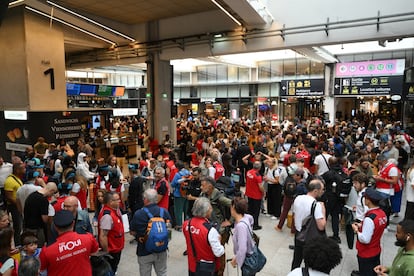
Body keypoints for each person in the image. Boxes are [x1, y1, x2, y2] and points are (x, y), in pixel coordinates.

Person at [40, 210, 99, 276]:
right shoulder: (88, 238)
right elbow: (94, 253)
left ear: (55, 227)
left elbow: (41, 270)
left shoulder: (47, 250)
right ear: (73, 223)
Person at [130, 189, 171, 276]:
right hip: (161, 248)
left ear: (145, 199)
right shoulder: (164, 212)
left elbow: (132, 231)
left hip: (144, 250)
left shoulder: (139, 214)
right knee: (162, 272)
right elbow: (169, 231)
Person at [183, 197, 225, 276]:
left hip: (192, 266)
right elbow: (219, 252)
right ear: (206, 211)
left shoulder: (186, 224)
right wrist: (220, 242)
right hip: (208, 269)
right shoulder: (210, 230)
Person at [291, 179, 326, 270]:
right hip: (310, 238)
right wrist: (323, 211)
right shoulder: (316, 205)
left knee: (296, 260)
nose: (323, 192)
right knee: (309, 263)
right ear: (315, 191)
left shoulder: (298, 198)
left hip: (298, 234)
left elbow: (294, 215)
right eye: (322, 190)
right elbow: (321, 226)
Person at [351, 187, 387, 276]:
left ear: (368, 201)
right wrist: (362, 225)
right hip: (376, 249)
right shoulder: (382, 214)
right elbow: (376, 228)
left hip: (366, 253)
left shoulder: (369, 218)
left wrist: (356, 230)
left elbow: (365, 239)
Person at [23, 182, 58, 246]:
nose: (51, 196)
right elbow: (45, 219)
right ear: (51, 191)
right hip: (37, 230)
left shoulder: (32, 195)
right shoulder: (43, 200)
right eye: (52, 193)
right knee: (38, 248)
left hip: (27, 227)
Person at [98, 191, 125, 273]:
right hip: (112, 251)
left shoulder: (114, 211)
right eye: (117, 200)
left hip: (116, 248)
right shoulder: (107, 216)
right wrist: (106, 252)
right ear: (111, 202)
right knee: (110, 270)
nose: (119, 201)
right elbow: (103, 236)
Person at [229, 197, 255, 276]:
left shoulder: (241, 226)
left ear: (233, 207)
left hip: (247, 259)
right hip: (251, 254)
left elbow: (242, 248)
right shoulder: (247, 217)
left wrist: (236, 261)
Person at [4, 163, 25, 245]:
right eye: (23, 168)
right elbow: (9, 197)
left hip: (18, 205)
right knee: (17, 226)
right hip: (14, 206)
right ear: (17, 170)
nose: (25, 170)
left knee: (20, 226)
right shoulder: (10, 181)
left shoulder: (17, 178)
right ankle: (17, 244)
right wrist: (19, 205)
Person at [245, 161, 264, 230]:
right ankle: (255, 225)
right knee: (256, 211)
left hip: (249, 193)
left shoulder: (248, 172)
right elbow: (260, 187)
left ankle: (248, 222)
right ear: (259, 167)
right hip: (256, 195)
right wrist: (263, 192)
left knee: (250, 209)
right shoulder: (258, 176)